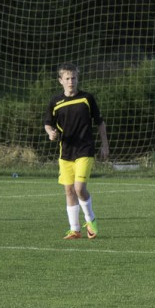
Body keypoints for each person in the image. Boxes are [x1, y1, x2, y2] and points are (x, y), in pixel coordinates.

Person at [44, 64, 109, 239]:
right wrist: (50, 133)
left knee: (79, 188)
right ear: (60, 81)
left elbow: (100, 123)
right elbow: (48, 124)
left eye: (73, 78)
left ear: (77, 79)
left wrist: (105, 145)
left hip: (85, 149)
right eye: (67, 78)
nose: (70, 81)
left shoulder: (87, 98)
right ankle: (75, 229)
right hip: (65, 152)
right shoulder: (55, 102)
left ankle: (90, 219)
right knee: (69, 191)